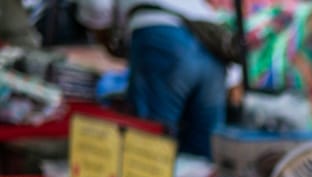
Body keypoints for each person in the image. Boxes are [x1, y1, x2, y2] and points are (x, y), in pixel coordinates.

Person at [75, 0, 233, 158]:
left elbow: (97, 5)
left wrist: (99, 30)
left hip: (164, 36)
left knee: (150, 145)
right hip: (212, 44)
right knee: (201, 154)